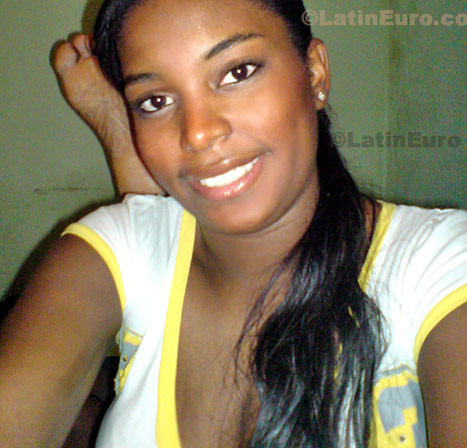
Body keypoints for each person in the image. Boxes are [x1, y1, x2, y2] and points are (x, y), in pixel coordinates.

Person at [1, 0, 466, 447]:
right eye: (155, 100)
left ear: (315, 73)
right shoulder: (114, 247)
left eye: (238, 72)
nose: (199, 132)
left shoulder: (436, 262)